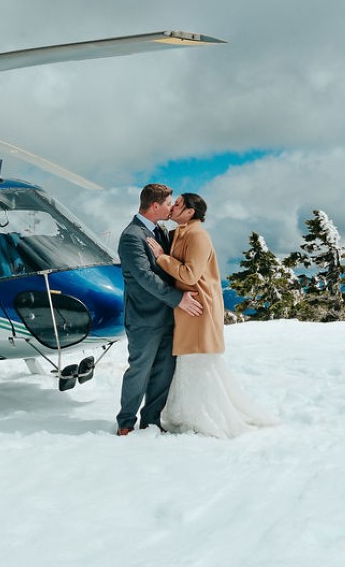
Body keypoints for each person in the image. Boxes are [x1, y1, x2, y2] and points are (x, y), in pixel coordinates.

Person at [146, 192, 278, 439]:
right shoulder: (182, 232)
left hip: (198, 308)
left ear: (190, 212)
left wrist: (161, 258)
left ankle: (204, 418)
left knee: (197, 362)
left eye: (178, 204)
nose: (173, 207)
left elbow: (189, 275)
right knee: (190, 362)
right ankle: (190, 414)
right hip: (188, 308)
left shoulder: (198, 236)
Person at [116, 183, 203, 436]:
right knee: (140, 371)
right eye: (168, 204)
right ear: (155, 205)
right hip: (144, 318)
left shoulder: (160, 231)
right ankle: (126, 422)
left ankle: (151, 421)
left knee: (164, 371)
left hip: (168, 316)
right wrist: (179, 299)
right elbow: (145, 277)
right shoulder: (132, 236)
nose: (171, 208)